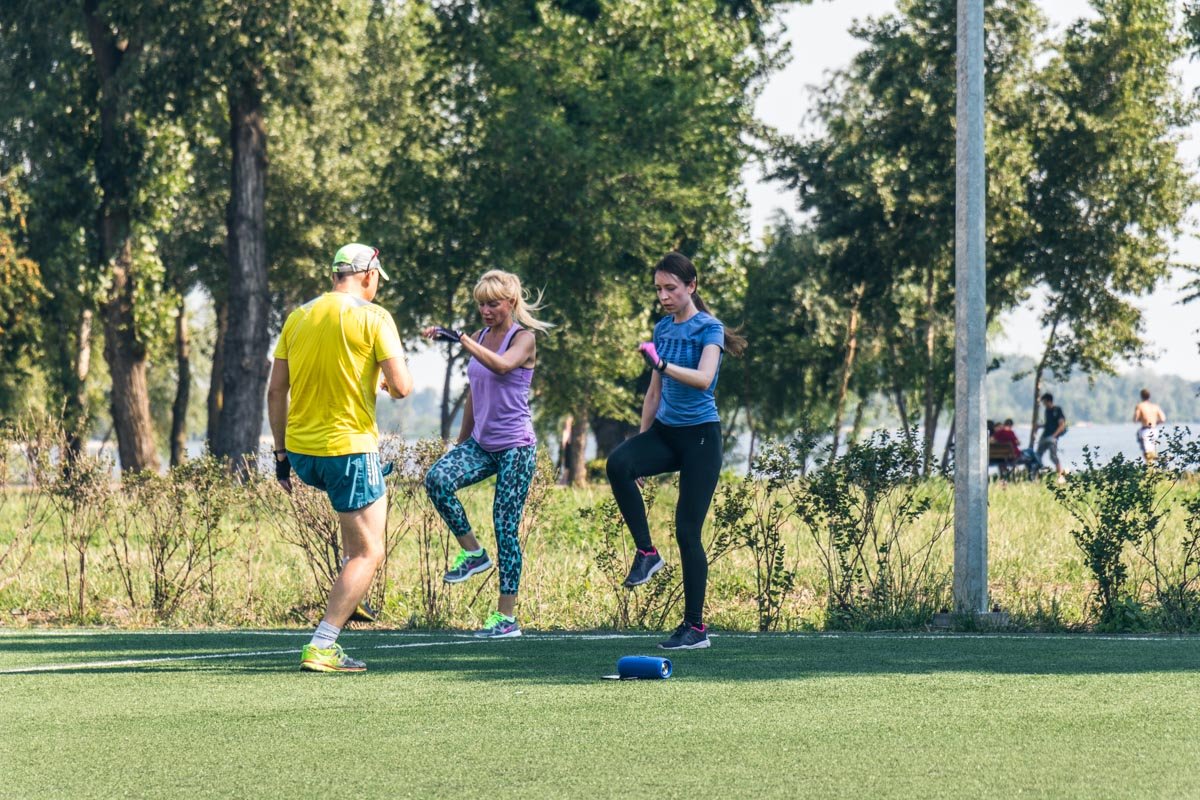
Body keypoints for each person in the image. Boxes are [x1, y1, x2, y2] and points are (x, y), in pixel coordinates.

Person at [268, 243, 413, 673]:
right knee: (370, 553)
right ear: (368, 275)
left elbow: (277, 389)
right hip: (347, 449)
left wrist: (280, 455)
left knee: (357, 547)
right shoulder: (375, 317)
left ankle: (353, 599)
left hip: (302, 451)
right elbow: (402, 387)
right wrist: (385, 383)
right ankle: (324, 642)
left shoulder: (298, 316)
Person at [606, 252, 747, 651]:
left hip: (701, 439)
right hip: (666, 432)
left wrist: (662, 363)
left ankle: (695, 627)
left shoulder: (710, 329)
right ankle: (647, 553)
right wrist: (640, 444)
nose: (664, 296)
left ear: (691, 287)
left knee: (687, 532)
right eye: (659, 289)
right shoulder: (662, 329)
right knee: (618, 462)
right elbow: (654, 393)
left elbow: (704, 379)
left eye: (671, 288)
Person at [421, 270, 552, 639]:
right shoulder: (479, 337)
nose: (486, 310)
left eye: (492, 303)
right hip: (482, 443)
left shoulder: (523, 338)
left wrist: (460, 339)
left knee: (505, 527)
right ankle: (474, 554)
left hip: (515, 447)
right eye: (481, 303)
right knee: (437, 479)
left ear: (510, 303)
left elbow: (502, 365)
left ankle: (505, 618)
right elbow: (475, 393)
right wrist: (461, 443)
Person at [1036, 392, 1067, 482]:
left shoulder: (1057, 410)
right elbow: (1048, 424)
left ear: (1049, 401)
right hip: (1045, 436)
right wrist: (1039, 426)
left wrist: (1054, 436)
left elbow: (1061, 425)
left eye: (1045, 402)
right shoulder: (1047, 411)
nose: (1044, 404)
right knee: (1038, 455)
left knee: (1053, 456)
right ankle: (1038, 475)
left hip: (1052, 437)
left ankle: (1060, 476)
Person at [1133, 388, 1167, 464]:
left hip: (1145, 430)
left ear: (1141, 396)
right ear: (1149, 396)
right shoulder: (1155, 406)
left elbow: (1135, 419)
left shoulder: (1140, 406)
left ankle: (1158, 462)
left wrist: (1141, 419)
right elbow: (1163, 418)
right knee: (1152, 450)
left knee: (1147, 453)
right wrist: (1155, 422)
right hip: (1155, 430)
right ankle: (1158, 462)